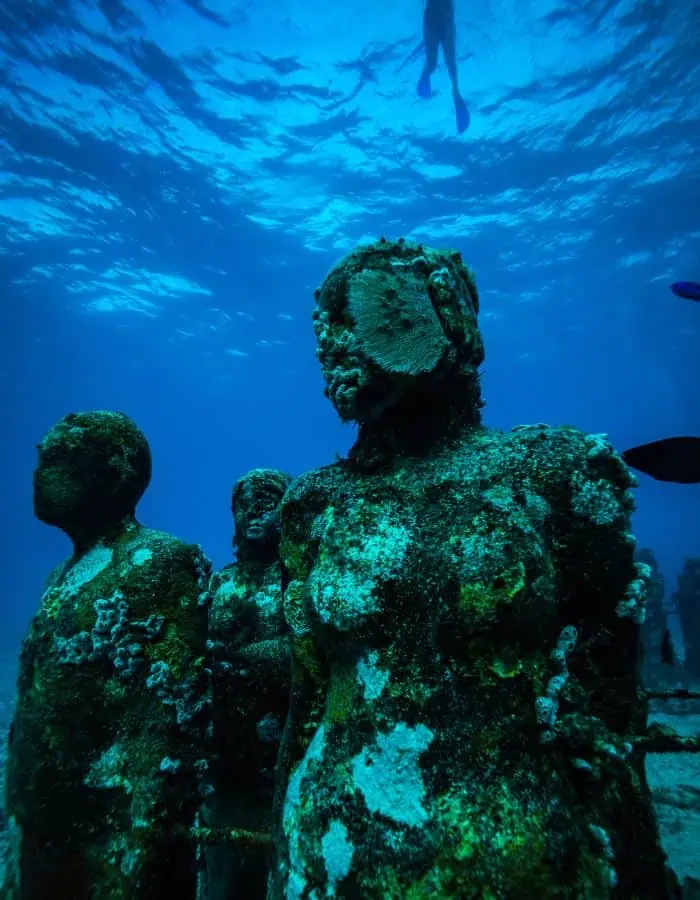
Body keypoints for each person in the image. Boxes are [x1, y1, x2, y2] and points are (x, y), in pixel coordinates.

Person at [268, 237, 673, 898]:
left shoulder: (557, 471)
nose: (344, 337)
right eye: (331, 323)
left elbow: (606, 711)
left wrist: (637, 865)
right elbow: (306, 701)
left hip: (519, 854)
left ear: (453, 316)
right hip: (324, 841)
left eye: (370, 307)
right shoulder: (314, 504)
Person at [1, 410, 211, 900]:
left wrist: (143, 840)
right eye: (41, 456)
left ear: (114, 469)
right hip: (47, 821)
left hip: (109, 834)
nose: (39, 469)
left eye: (57, 457)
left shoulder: (161, 563)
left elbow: (169, 726)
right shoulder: (61, 577)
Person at [205, 468, 292, 899]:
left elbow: (308, 651)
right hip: (226, 752)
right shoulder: (219, 583)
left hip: (282, 744)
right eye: (244, 501)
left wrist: (247, 660)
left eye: (269, 498)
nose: (255, 508)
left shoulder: (295, 580)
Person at [417, 0, 470, 133]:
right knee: (438, 64)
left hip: (441, 21)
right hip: (438, 21)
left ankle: (455, 93)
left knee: (447, 63)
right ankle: (427, 74)